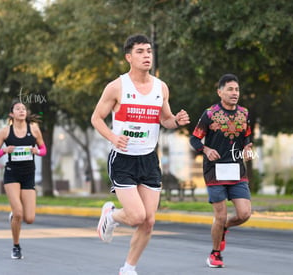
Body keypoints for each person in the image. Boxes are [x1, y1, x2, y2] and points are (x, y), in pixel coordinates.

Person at [91, 34, 190, 275]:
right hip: (123, 159)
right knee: (136, 216)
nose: (147, 56)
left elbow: (165, 119)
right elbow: (96, 118)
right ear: (128, 57)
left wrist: (176, 120)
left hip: (148, 159)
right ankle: (111, 216)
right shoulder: (116, 87)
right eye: (140, 52)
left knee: (149, 221)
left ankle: (128, 268)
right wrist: (114, 137)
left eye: (149, 51)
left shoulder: (160, 87)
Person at [189, 73, 253, 268]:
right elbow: (194, 139)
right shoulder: (209, 114)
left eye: (237, 89)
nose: (235, 93)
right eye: (230, 89)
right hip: (214, 172)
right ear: (220, 92)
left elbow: (247, 138)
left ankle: (223, 228)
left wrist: (248, 149)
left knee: (244, 214)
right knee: (221, 215)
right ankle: (215, 254)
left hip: (237, 171)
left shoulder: (244, 113)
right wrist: (206, 150)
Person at [0, 99, 46, 259]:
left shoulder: (34, 129)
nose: (22, 111)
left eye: (24, 108)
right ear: (11, 114)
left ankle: (14, 216)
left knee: (29, 218)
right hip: (12, 174)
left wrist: (37, 151)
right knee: (19, 213)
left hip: (29, 174)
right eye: (18, 109)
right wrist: (4, 150)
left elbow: (43, 149)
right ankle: (16, 246)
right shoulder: (5, 132)